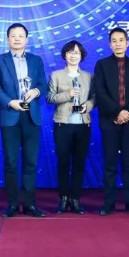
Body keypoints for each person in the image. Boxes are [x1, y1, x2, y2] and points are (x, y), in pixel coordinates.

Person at [0, 23, 48, 218]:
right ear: (7, 39)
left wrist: (36, 91)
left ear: (26, 39)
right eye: (13, 35)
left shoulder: (36, 60)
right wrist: (10, 102)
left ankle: (30, 204)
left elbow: (43, 84)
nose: (16, 39)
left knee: (31, 162)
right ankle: (13, 204)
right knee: (11, 162)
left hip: (32, 116)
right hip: (10, 115)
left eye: (20, 36)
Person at [94, 27, 129, 216]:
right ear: (110, 45)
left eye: (121, 40)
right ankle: (108, 203)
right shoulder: (102, 65)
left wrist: (128, 112)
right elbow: (100, 92)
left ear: (127, 43)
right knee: (109, 163)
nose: (118, 44)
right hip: (109, 120)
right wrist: (118, 112)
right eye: (114, 41)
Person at [46, 40, 95, 214]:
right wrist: (68, 94)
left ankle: (75, 199)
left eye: (76, 53)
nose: (73, 55)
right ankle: (63, 198)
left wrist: (87, 106)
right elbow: (49, 98)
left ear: (81, 56)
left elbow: (94, 98)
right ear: (65, 55)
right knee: (63, 162)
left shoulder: (88, 76)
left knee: (79, 163)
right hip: (63, 124)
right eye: (70, 52)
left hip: (83, 124)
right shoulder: (56, 75)